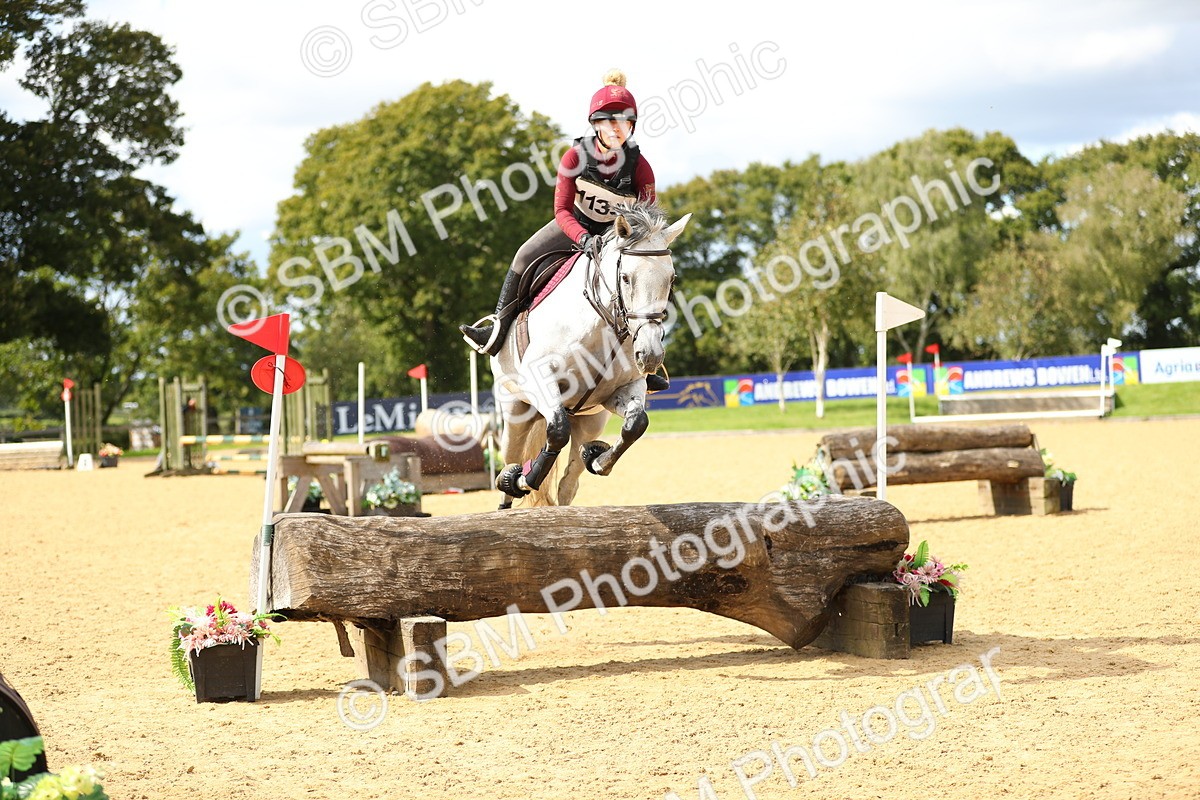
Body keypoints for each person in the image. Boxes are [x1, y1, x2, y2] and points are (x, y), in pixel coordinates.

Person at [459, 69, 669, 392]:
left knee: (654, 269)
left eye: (623, 123)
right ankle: (497, 330)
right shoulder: (575, 157)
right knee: (523, 254)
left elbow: (648, 227)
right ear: (595, 125)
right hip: (574, 227)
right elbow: (560, 211)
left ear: (631, 127)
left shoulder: (641, 169)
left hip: (617, 238)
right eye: (608, 123)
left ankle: (648, 360)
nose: (615, 130)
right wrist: (583, 238)